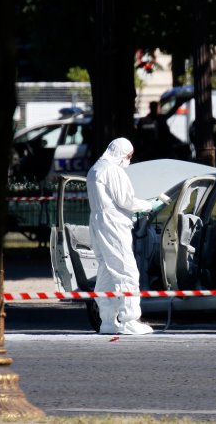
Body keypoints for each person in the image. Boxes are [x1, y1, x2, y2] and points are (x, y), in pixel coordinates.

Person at [86, 137, 154, 335]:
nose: (129, 160)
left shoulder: (95, 169)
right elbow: (125, 200)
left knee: (107, 270)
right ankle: (129, 320)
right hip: (113, 224)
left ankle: (107, 320)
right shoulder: (112, 170)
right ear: (122, 153)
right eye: (128, 156)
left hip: (98, 223)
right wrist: (149, 205)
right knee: (127, 271)